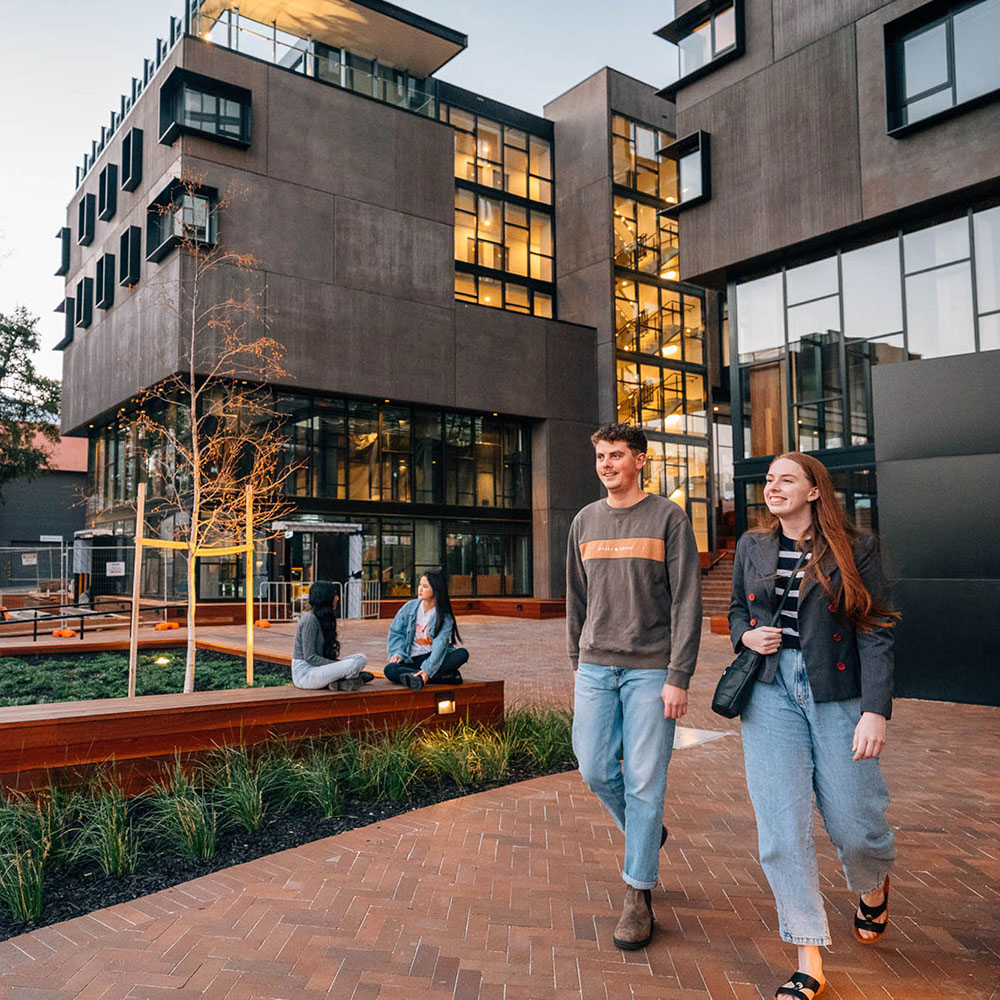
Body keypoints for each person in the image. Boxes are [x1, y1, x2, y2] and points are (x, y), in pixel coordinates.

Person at [729, 452, 898, 1000]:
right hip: (770, 692)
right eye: (770, 480)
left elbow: (875, 628)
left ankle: (872, 885)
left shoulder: (857, 548)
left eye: (786, 479)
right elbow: (738, 611)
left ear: (814, 491)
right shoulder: (753, 547)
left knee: (855, 823)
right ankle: (808, 958)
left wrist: (876, 709)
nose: (773, 487)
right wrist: (745, 636)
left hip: (836, 692)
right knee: (780, 827)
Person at [566, 422, 702, 951]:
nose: (606, 464)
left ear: (639, 460)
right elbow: (576, 597)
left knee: (646, 781)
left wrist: (678, 676)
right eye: (600, 455)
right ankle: (646, 834)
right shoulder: (584, 520)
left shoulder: (668, 517)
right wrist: (576, 658)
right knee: (594, 767)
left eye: (616, 455)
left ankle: (637, 894)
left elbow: (686, 601)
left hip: (650, 670)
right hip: (596, 667)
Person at [384, 570, 468, 691]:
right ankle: (446, 677)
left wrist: (428, 670)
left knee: (462, 654)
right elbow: (396, 631)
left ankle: (417, 676)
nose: (420, 589)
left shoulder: (444, 617)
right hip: (412, 659)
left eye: (425, 586)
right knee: (390, 670)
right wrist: (397, 653)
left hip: (433, 658)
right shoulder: (410, 608)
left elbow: (440, 645)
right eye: (420, 585)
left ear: (436, 589)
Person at [291, 580, 373, 691]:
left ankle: (340, 681)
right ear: (326, 598)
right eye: (334, 595)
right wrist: (338, 665)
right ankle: (349, 678)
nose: (337, 598)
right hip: (305, 674)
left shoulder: (324, 618)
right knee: (351, 665)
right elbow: (310, 657)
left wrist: (337, 666)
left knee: (361, 658)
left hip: (319, 669)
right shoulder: (309, 620)